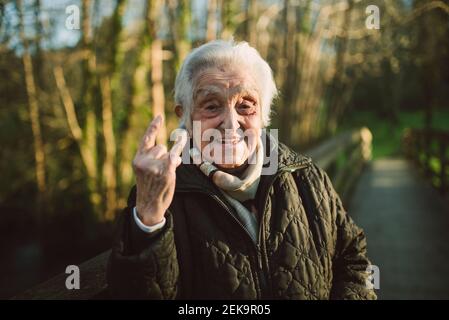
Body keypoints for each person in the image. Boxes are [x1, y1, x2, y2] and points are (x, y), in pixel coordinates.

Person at [107, 40, 376, 300]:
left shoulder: (307, 176)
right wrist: (150, 218)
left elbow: (353, 258)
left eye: (245, 106)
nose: (230, 123)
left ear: (264, 115)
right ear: (185, 116)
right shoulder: (160, 194)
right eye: (211, 106)